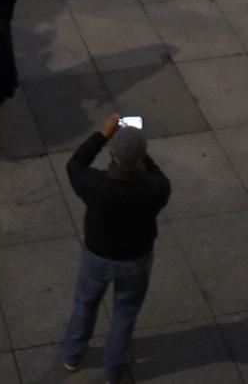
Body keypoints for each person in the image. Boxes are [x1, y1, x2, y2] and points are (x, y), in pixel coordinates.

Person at [61, 114, 171, 383]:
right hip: (135, 260)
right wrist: (141, 153)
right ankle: (113, 369)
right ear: (142, 158)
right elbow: (156, 173)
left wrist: (103, 134)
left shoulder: (95, 184)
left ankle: (73, 355)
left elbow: (75, 164)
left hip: (97, 257)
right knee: (125, 314)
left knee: (85, 304)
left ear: (112, 154)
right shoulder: (157, 188)